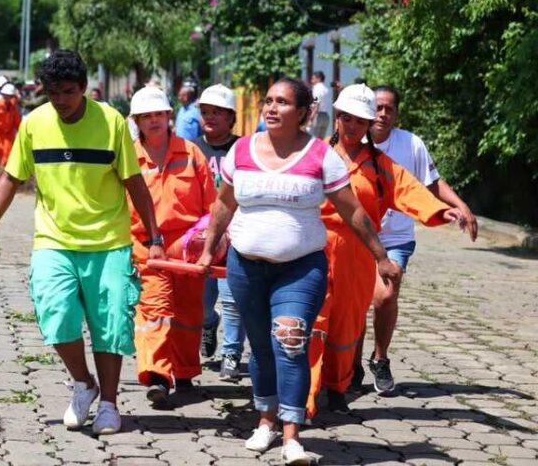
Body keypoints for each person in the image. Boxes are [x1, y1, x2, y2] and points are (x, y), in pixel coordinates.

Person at [195, 77, 401, 464]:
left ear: (304, 112)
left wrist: (381, 256)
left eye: (283, 102)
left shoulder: (321, 155)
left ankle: (292, 435)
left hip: (301, 268)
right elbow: (223, 205)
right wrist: (208, 251)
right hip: (246, 267)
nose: (271, 108)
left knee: (289, 340)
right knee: (260, 347)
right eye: (269, 101)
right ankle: (265, 420)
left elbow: (352, 210)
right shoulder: (241, 150)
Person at [0, 50, 164, 435]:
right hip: (54, 240)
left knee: (110, 323)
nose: (59, 100)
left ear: (84, 89)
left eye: (67, 91)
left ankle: (109, 403)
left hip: (108, 242)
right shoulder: (34, 124)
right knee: (55, 315)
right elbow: (11, 178)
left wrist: (155, 236)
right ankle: (84, 383)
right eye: (52, 92)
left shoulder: (111, 121)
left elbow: (135, 183)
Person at [305, 84, 463, 418]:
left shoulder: (380, 166)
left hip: (357, 256)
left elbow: (410, 190)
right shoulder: (315, 154)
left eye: (360, 121)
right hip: (313, 250)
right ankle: (305, 395)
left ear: (367, 126)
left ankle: (337, 388)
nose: (352, 126)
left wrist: (440, 210)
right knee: (314, 321)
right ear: (337, 117)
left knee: (346, 328)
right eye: (346, 118)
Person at [355, 85, 478, 393]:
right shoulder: (351, 141)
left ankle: (380, 357)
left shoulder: (410, 144)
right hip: (357, 236)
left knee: (384, 295)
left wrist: (460, 206)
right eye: (378, 108)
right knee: (355, 301)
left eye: (389, 109)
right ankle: (349, 364)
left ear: (397, 114)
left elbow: (432, 183)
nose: (383, 114)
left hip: (395, 237)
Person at [127, 86, 216, 408]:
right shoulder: (128, 158)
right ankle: (157, 376)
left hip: (189, 247)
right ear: (136, 121)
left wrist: (208, 243)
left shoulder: (191, 153)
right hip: (147, 249)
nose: (153, 121)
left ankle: (186, 373)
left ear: (169, 117)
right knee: (155, 308)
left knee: (189, 314)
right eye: (146, 116)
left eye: (158, 115)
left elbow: (212, 206)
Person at [192, 84, 246, 381]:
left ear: (231, 117)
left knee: (233, 298)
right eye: (205, 112)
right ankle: (208, 324)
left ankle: (231, 354)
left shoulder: (243, 148)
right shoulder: (192, 148)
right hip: (201, 237)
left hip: (236, 234)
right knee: (202, 300)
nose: (210, 117)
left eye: (217, 113)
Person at [307, 71, 331, 139]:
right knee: (320, 140)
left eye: (313, 78)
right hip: (325, 116)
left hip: (317, 115)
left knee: (312, 139)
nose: (312, 80)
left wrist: (311, 117)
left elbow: (316, 102)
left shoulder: (317, 88)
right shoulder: (326, 89)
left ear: (318, 78)